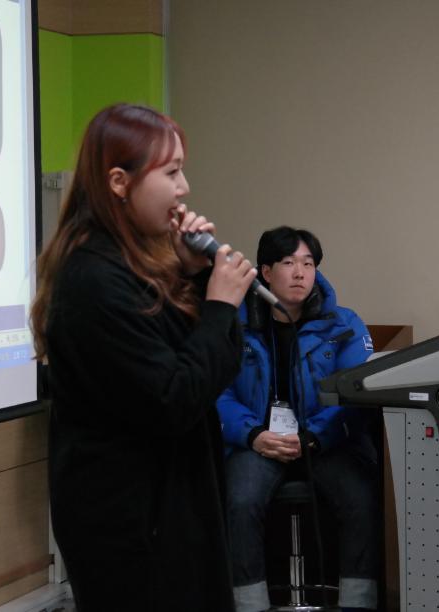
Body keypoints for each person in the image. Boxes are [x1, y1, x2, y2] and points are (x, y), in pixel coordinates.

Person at [30, 103, 258, 611]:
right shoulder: (93, 279)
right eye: (171, 172)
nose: (184, 188)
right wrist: (219, 305)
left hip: (170, 508)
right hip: (130, 528)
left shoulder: (136, 266)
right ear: (119, 181)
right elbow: (173, 398)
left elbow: (214, 365)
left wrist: (193, 275)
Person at [217, 226, 381, 612]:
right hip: (257, 442)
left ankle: (357, 604)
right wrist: (253, 434)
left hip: (325, 443)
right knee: (240, 501)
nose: (300, 273)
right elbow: (218, 393)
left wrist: (315, 436)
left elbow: (354, 394)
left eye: (308, 264)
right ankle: (249, 605)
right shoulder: (233, 325)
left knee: (360, 499)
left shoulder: (344, 325)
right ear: (266, 272)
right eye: (289, 263)